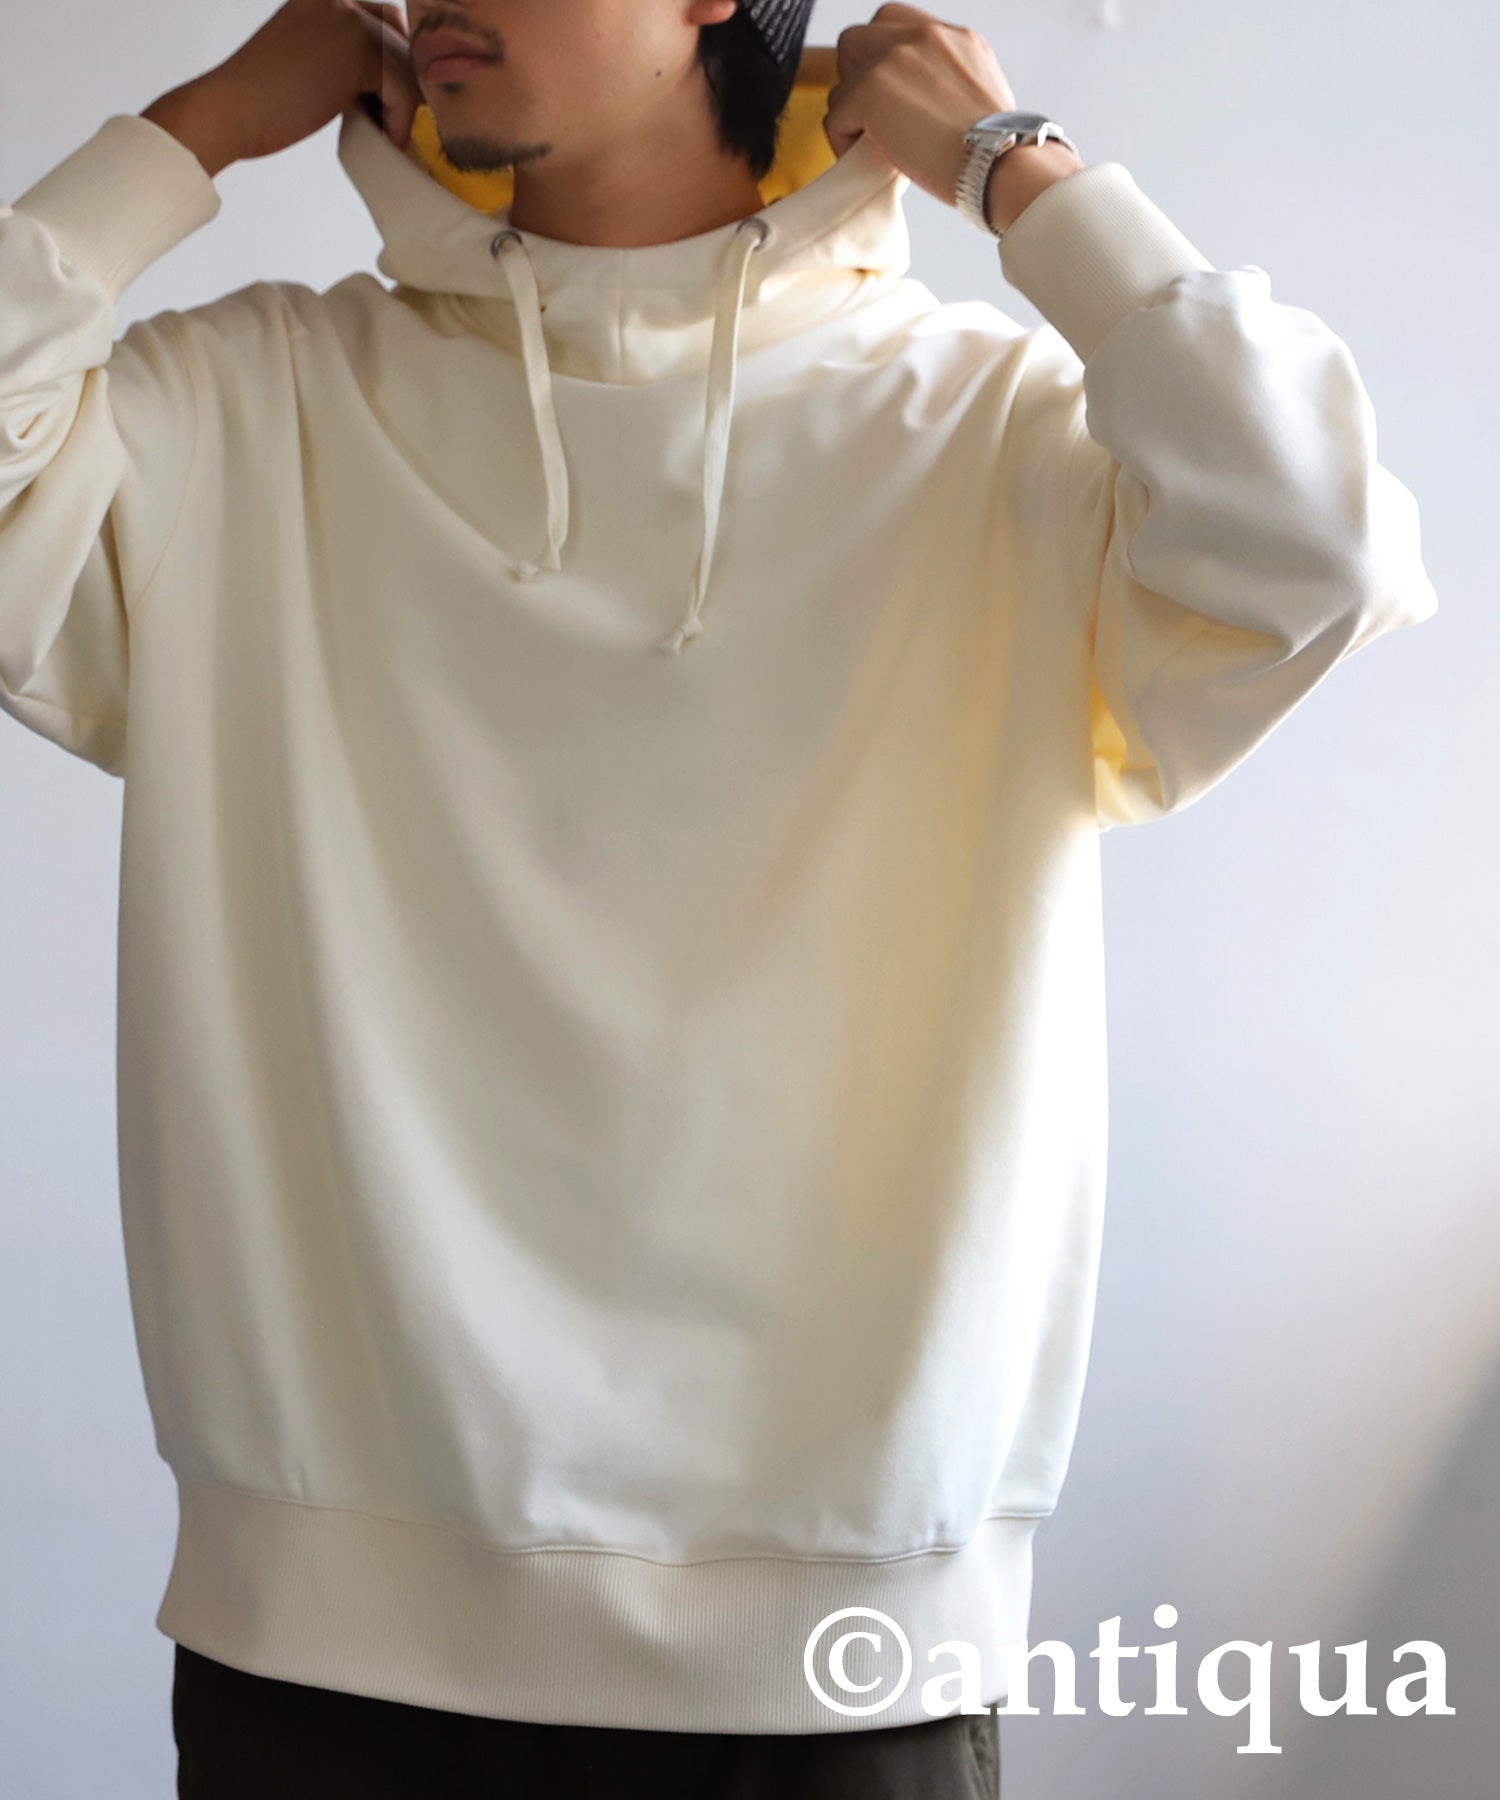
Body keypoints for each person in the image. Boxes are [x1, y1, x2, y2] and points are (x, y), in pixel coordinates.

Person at [0, 0, 1437, 1794]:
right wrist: (194, 126)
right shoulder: (249, 407)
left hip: (844, 1662)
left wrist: (1023, 176)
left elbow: (1318, 542)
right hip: (323, 1643)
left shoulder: (988, 435)